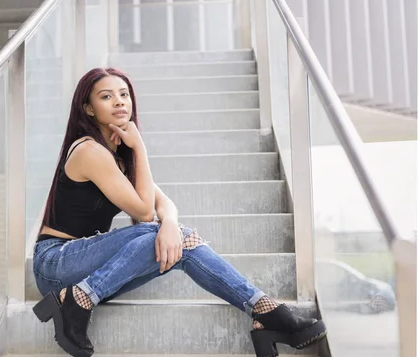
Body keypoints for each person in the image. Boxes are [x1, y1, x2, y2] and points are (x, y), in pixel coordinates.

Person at [31, 68, 327, 357]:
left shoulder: (118, 159)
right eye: (107, 96)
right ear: (89, 109)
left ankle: (264, 312)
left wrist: (170, 223)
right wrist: (141, 149)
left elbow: (165, 205)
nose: (120, 101)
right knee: (158, 233)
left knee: (178, 241)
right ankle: (272, 314)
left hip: (85, 272)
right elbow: (146, 213)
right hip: (56, 262)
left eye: (124, 94)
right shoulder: (89, 151)